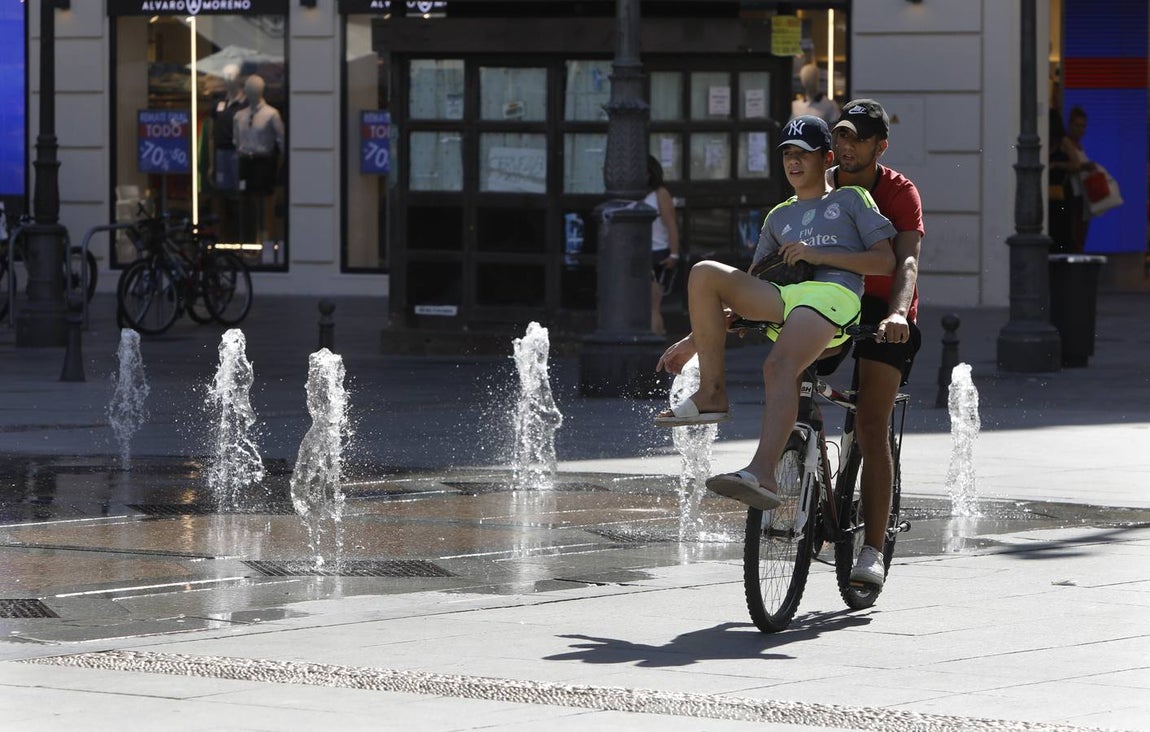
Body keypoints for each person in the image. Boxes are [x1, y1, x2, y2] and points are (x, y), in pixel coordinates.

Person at [653, 115, 895, 514]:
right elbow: (749, 286)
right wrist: (695, 340)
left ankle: (763, 472)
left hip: (834, 294)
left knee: (778, 366)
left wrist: (818, 255)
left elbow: (885, 262)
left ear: (827, 158)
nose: (794, 162)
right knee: (704, 274)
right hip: (786, 296)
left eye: (804, 154)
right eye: (787, 155)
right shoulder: (778, 217)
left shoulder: (851, 199)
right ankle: (712, 392)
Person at [827, 98, 924, 588]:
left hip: (884, 310)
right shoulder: (822, 185)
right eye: (841, 135)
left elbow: (905, 261)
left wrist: (896, 312)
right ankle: (805, 470)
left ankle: (872, 548)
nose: (845, 146)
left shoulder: (899, 191)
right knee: (795, 378)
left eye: (857, 139)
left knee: (870, 421)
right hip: (831, 299)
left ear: (879, 146)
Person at [233, 74, 285, 253]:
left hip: (264, 163)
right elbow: (236, 141)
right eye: (248, 88)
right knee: (245, 205)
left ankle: (267, 245)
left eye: (252, 89)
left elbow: (281, 141)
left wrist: (281, 167)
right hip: (245, 162)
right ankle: (247, 245)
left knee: (264, 205)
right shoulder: (239, 116)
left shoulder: (272, 114)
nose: (249, 92)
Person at [646, 155, 681, 335]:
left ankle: (657, 344)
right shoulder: (633, 194)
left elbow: (671, 224)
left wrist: (674, 254)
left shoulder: (660, 194)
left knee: (653, 305)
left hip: (658, 253)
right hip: (639, 254)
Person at [1059, 106, 1098, 252]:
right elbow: (1073, 166)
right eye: (1077, 125)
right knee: (1075, 233)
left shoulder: (1079, 145)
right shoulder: (1066, 143)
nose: (1081, 129)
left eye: (1083, 126)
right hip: (1073, 194)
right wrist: (1084, 166)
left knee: (1081, 233)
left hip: (1082, 194)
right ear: (1070, 125)